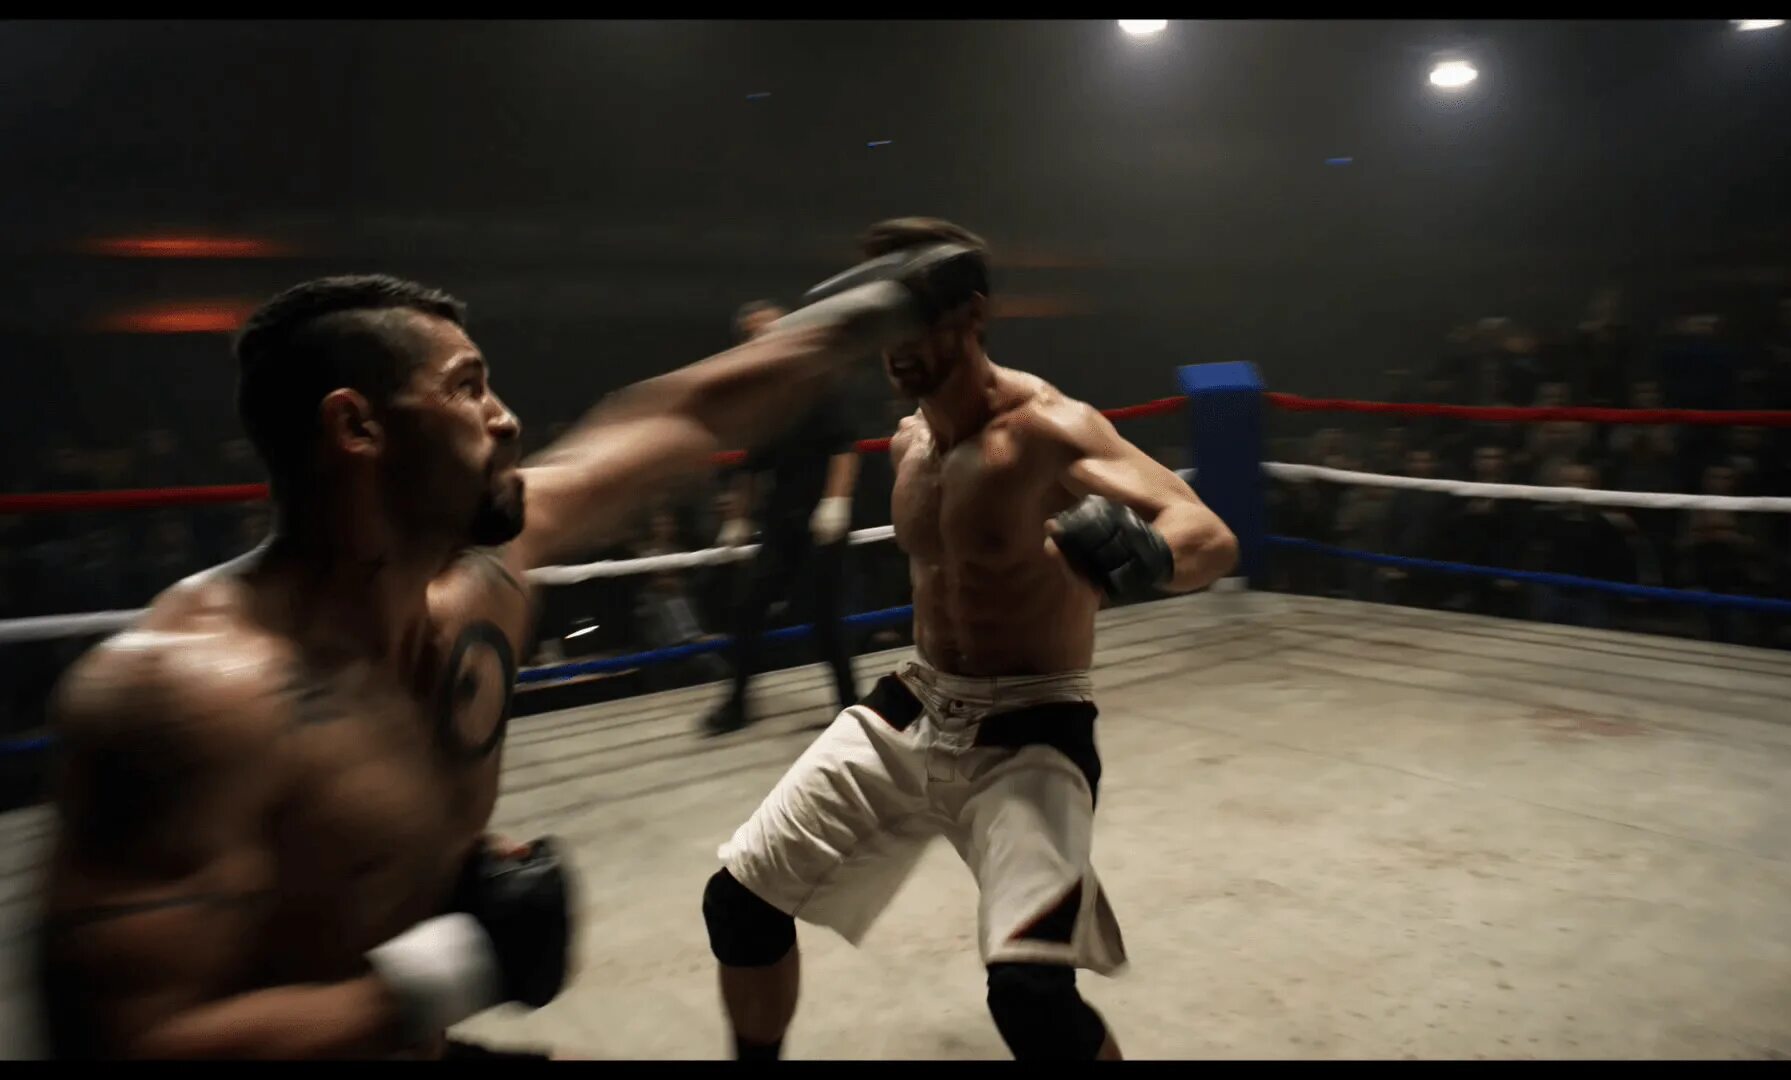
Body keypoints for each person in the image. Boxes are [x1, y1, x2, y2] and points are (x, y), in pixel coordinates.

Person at [32, 249, 984, 1060]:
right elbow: (122, 1040)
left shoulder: (489, 573)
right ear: (356, 427)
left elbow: (685, 416)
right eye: (467, 387)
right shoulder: (184, 694)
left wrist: (884, 306)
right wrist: (445, 970)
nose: (506, 418)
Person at [700, 218, 1239, 1061]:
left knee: (1030, 998)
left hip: (1032, 729)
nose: (896, 346)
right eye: (881, 323)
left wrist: (1150, 553)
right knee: (737, 902)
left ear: (973, 315)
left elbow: (1209, 533)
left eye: (913, 319)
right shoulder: (909, 442)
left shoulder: (1045, 429)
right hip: (915, 703)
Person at [704, 300, 861, 735]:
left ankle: (850, 705)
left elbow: (844, 447)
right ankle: (736, 704)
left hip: (821, 519)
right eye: (755, 332)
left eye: (771, 328)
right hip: (781, 520)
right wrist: (737, 519)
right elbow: (751, 467)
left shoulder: (817, 379)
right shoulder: (763, 398)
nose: (765, 337)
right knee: (748, 608)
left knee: (825, 617)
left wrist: (836, 502)